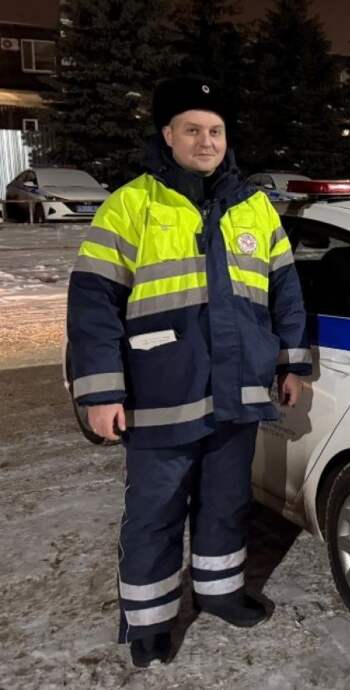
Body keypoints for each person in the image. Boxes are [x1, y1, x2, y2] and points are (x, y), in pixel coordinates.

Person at [66, 76, 311, 667]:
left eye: (216, 130)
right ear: (168, 135)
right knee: (155, 511)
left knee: (226, 501)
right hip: (159, 391)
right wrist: (100, 393)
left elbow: (285, 291)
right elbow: (93, 304)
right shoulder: (132, 204)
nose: (207, 141)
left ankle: (220, 592)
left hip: (237, 389)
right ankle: (149, 620)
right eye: (193, 129)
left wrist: (292, 361)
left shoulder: (255, 208)